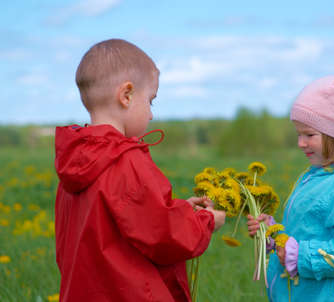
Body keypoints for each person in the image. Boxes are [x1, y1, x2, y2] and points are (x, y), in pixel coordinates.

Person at [54, 39, 226, 302]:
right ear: (126, 95)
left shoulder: (75, 162)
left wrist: (179, 210)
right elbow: (162, 234)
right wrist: (206, 221)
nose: (151, 115)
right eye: (151, 101)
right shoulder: (125, 160)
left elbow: (125, 220)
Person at [247, 73, 334, 301]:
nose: (300, 143)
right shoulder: (319, 175)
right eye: (299, 134)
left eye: (309, 134)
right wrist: (275, 234)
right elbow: (308, 230)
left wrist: (298, 256)